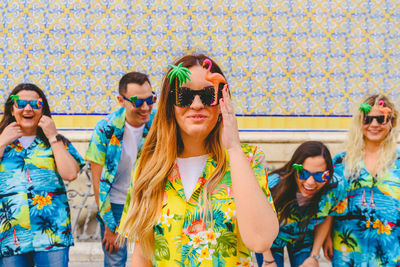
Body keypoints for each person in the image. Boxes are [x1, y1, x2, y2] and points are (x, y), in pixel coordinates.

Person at [118, 54, 279, 267]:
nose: (196, 104)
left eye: (207, 94)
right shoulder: (148, 167)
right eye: (184, 95)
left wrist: (233, 147)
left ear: (222, 101)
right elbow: (143, 253)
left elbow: (260, 240)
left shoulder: (246, 160)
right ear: (170, 103)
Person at [0, 83, 84, 267]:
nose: (27, 108)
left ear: (42, 109)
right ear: (12, 110)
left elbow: (70, 174)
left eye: (35, 104)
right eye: (20, 103)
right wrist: (1, 142)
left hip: (52, 233)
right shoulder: (2, 142)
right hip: (10, 235)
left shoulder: (57, 141)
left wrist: (53, 137)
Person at [85, 72, 156, 266]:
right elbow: (99, 184)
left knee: (155, 258)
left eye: (150, 99)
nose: (145, 107)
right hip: (116, 204)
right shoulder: (105, 129)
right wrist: (108, 224)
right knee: (115, 259)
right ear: (120, 100)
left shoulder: (160, 125)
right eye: (137, 101)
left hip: (150, 201)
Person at [324, 94, 400, 266]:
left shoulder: (398, 163)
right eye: (368, 119)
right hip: (348, 246)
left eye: (381, 119)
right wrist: (326, 236)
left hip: (391, 247)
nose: (374, 125)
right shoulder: (341, 161)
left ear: (391, 123)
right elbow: (330, 203)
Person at [256, 141, 346, 267]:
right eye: (303, 173)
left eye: (320, 176)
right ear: (294, 169)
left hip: (302, 235)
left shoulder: (335, 188)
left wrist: (314, 256)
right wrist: (268, 260)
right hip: (270, 239)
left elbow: (327, 214)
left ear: (329, 173)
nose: (310, 182)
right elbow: (257, 224)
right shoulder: (272, 186)